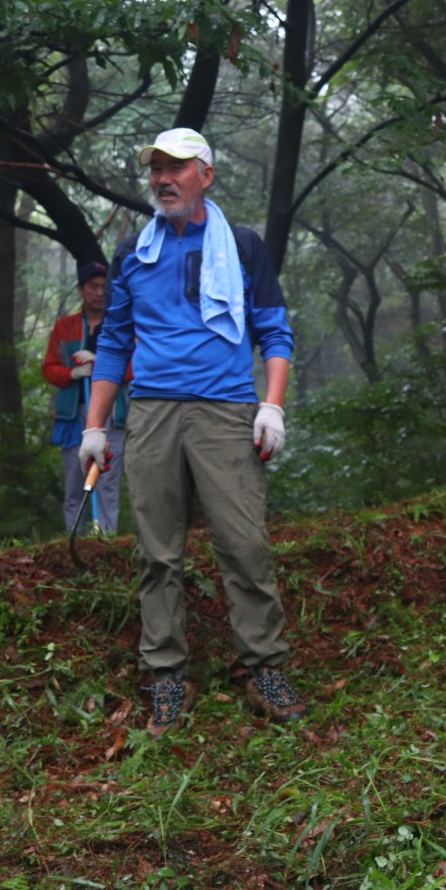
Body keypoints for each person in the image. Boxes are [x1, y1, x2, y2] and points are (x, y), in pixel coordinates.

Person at [79, 127, 308, 738]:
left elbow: (274, 332)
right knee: (157, 552)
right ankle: (166, 677)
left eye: (176, 168)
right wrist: (95, 427)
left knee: (244, 545)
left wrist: (272, 407)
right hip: (151, 412)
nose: (162, 178)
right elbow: (113, 343)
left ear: (205, 174)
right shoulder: (134, 253)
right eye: (155, 169)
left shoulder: (243, 245)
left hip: (226, 412)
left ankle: (262, 669)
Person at [42, 260, 128, 534]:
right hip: (73, 415)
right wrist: (72, 373)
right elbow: (49, 368)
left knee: (107, 483)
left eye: (105, 286)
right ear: (81, 290)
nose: (100, 292)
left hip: (111, 414)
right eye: (93, 286)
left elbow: (136, 366)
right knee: (74, 484)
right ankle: (74, 543)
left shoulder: (121, 325)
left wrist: (101, 361)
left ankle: (106, 543)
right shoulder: (64, 328)